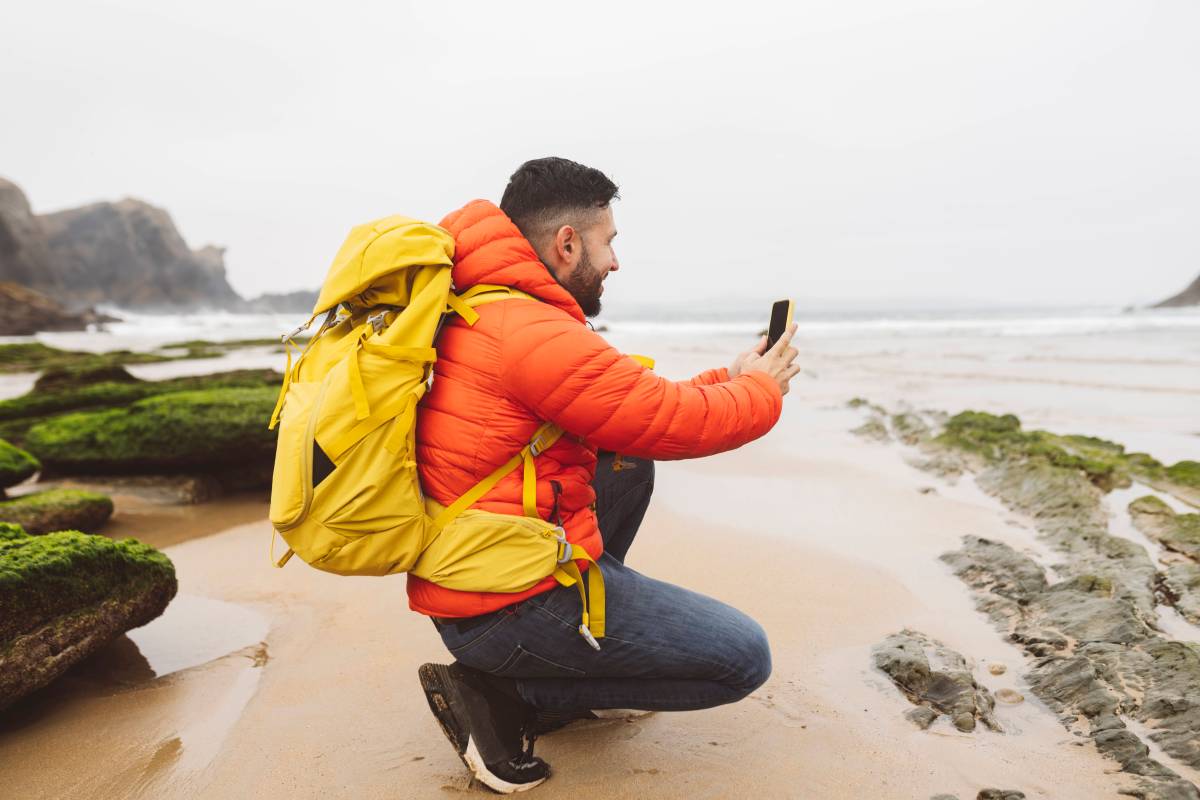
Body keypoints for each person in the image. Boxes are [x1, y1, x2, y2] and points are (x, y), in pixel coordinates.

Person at [413, 157, 801, 793]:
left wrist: (731, 381)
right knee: (743, 659)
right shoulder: (530, 330)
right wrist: (763, 392)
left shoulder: (490, 306)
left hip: (475, 573)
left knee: (625, 457)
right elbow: (675, 421)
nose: (615, 260)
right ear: (568, 243)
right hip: (499, 607)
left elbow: (629, 403)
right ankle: (505, 690)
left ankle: (570, 652)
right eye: (609, 241)